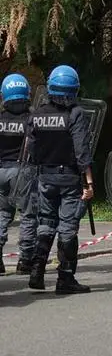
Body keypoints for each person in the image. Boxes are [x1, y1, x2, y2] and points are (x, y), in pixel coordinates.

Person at [26, 65, 95, 294]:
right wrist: (89, 183)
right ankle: (65, 278)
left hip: (45, 176)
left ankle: (36, 271)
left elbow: (31, 148)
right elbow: (82, 151)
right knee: (67, 228)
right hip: (69, 177)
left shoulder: (37, 114)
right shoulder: (74, 113)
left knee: (46, 223)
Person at [0, 74, 37, 275]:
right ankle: (25, 260)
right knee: (28, 216)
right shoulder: (31, 120)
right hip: (23, 171)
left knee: (2, 214)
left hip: (0, 171)